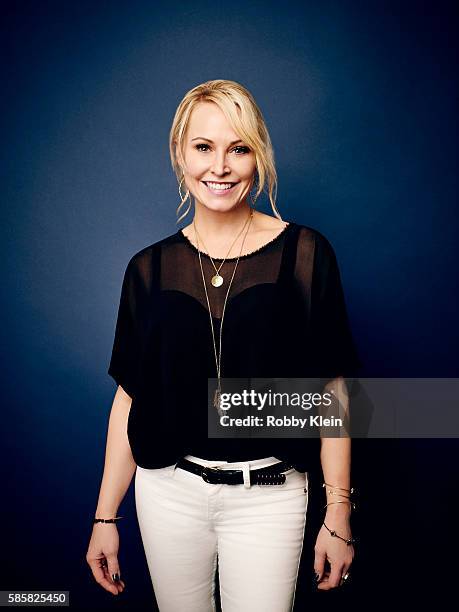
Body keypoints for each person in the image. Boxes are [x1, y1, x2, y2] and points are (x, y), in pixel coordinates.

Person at [86, 79, 361, 611]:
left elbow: (332, 394)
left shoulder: (305, 254)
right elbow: (129, 399)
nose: (221, 166)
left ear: (258, 155)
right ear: (180, 155)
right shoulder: (149, 269)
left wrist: (339, 514)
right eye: (204, 147)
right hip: (168, 493)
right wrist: (103, 517)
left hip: (271, 495)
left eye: (238, 148)